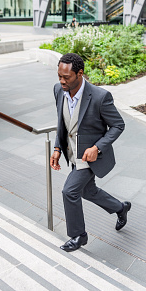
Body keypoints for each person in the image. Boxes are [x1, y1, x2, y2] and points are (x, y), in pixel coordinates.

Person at [50, 53, 131, 252]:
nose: (62, 81)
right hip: (71, 153)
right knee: (88, 191)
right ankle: (120, 208)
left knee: (70, 191)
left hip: (89, 156)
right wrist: (57, 148)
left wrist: (97, 148)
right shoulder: (58, 91)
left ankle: (79, 235)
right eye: (59, 76)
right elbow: (62, 123)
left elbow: (118, 125)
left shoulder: (100, 97)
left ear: (80, 73)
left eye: (66, 77)